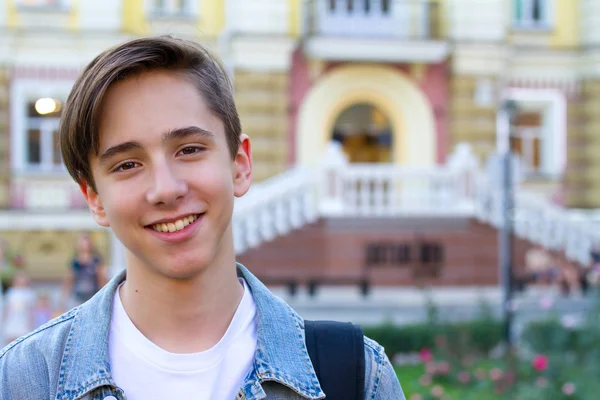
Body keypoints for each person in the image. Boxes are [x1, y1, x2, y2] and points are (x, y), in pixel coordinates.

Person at [0, 36, 404, 399]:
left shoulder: (356, 376)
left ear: (240, 164)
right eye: (126, 164)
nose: (166, 189)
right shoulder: (22, 380)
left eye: (189, 149)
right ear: (95, 199)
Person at [60, 233, 108, 309]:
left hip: (94, 296)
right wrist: (63, 300)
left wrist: (105, 295)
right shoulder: (74, 262)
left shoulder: (96, 261)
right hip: (78, 297)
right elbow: (69, 281)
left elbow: (102, 279)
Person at [1, 271, 36, 345]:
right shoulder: (11, 291)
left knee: (22, 337)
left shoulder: (28, 293)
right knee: (11, 336)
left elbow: (30, 309)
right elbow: (8, 306)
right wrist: (3, 318)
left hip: (23, 318)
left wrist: (31, 320)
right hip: (12, 318)